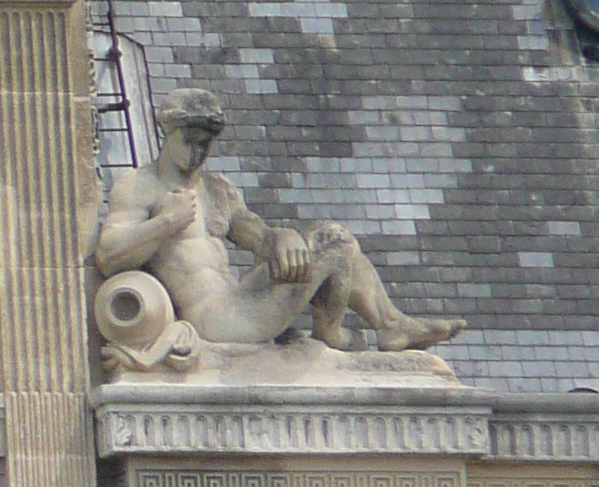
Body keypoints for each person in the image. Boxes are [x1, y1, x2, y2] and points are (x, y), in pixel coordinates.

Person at [91, 87, 462, 353]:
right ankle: (346, 331)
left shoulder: (217, 190)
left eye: (206, 142)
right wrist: (166, 223)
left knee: (323, 236)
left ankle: (380, 326)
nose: (197, 151)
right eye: (189, 139)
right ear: (167, 133)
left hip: (241, 299)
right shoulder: (140, 187)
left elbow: (256, 235)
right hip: (216, 322)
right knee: (334, 240)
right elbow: (108, 256)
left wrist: (280, 235)